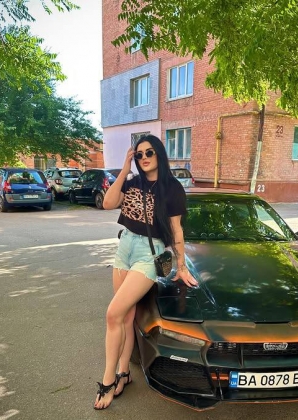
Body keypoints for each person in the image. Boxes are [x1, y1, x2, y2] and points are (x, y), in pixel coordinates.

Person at [93, 134, 198, 410]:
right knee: (126, 317)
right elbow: (108, 203)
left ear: (159, 153)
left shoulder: (172, 188)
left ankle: (107, 380)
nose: (144, 158)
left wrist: (181, 266)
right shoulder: (132, 182)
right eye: (139, 154)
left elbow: (176, 230)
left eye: (149, 152)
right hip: (125, 247)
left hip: (149, 254)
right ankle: (124, 373)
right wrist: (124, 170)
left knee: (113, 314)